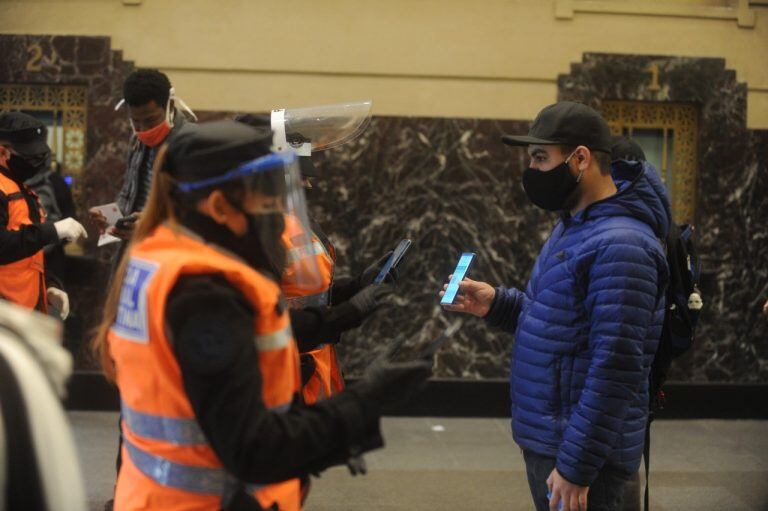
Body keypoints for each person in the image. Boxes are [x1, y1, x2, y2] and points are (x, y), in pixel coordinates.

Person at [92, 120, 432, 511]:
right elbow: (253, 449)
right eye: (267, 203)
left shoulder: (162, 254)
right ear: (219, 206)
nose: (278, 216)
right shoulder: (205, 294)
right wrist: (366, 400)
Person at [443, 101, 670, 511]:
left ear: (580, 158)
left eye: (540, 157)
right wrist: (496, 304)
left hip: (584, 455)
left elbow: (616, 364)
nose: (532, 170)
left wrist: (577, 466)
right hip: (557, 440)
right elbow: (563, 325)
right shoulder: (578, 226)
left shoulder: (621, 244)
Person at [235, 113, 394, 405]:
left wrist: (357, 285)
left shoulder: (295, 219)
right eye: (301, 177)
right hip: (281, 378)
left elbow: (307, 292)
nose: (308, 185)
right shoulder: (252, 233)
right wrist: (345, 315)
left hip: (318, 369)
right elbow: (266, 320)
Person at [89, 69, 195, 244]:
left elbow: (196, 211)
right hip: (137, 248)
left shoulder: (191, 144)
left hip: (171, 250)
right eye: (136, 122)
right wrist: (110, 218)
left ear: (170, 106)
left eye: (151, 121)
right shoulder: (137, 140)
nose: (144, 130)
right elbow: (129, 193)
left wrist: (151, 226)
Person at [0, 112, 87, 319]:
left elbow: (28, 255)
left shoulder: (20, 187)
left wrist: (49, 285)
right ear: (3, 152)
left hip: (21, 313)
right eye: (30, 157)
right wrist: (52, 231)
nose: (37, 163)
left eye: (40, 156)